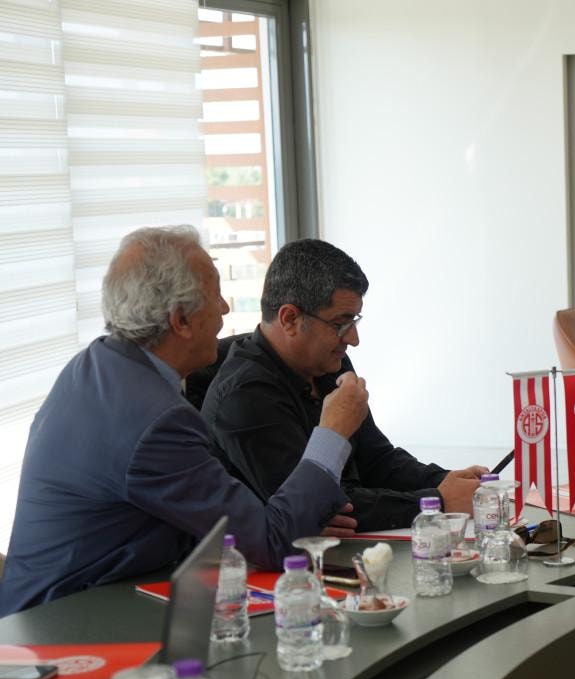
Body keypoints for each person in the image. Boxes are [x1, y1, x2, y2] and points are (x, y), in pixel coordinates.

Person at [0, 227, 367, 615]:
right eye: (215, 296)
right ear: (180, 320)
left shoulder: (97, 363)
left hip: (78, 602)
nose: (225, 309)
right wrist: (332, 433)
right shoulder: (154, 420)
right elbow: (272, 542)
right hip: (62, 624)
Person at [201, 239, 486, 531]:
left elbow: (377, 460)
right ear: (289, 319)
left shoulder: (328, 363)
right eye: (340, 324)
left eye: (354, 322)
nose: (353, 339)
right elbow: (317, 506)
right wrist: (437, 502)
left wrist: (448, 482)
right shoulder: (244, 396)